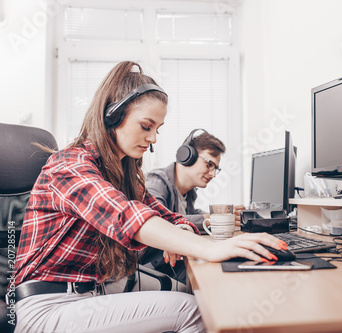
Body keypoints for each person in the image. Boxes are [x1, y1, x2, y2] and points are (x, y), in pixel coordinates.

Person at [13, 61, 287, 333]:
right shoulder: (69, 165)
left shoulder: (124, 177)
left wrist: (178, 229)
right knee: (195, 312)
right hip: (48, 306)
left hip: (91, 293)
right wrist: (211, 248)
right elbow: (124, 215)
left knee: (191, 293)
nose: (154, 138)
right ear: (112, 115)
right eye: (146, 126)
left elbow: (167, 216)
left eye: (158, 128)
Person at [140, 129, 245, 285]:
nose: (213, 174)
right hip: (153, 268)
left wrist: (223, 219)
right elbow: (158, 221)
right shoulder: (157, 181)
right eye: (209, 164)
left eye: (216, 168)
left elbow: (191, 215)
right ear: (186, 156)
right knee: (215, 278)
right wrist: (211, 219)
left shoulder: (188, 192)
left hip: (171, 263)